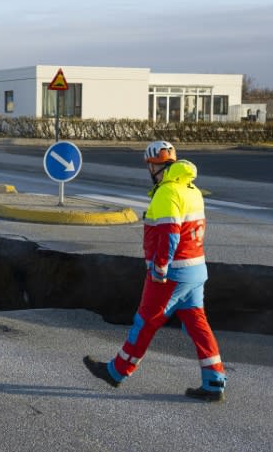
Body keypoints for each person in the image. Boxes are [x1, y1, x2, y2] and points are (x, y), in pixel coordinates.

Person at [84, 140, 227, 402]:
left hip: (172, 272)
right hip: (196, 270)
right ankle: (214, 380)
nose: (149, 171)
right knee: (198, 325)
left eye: (149, 166)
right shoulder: (191, 189)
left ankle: (117, 371)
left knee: (145, 321)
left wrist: (160, 267)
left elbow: (169, 234)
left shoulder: (167, 192)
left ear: (154, 166)